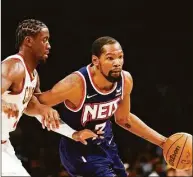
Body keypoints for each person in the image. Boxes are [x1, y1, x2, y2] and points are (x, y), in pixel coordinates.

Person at [38, 36, 168, 177]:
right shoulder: (75, 84)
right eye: (110, 58)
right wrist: (44, 109)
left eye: (120, 57)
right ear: (96, 61)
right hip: (79, 152)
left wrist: (163, 142)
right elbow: (32, 103)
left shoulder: (125, 80)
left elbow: (124, 119)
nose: (117, 63)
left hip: (107, 147)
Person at [1, 19, 98, 176]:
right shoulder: (13, 67)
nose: (49, 45)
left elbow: (36, 110)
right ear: (29, 41)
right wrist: (2, 104)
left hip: (4, 144)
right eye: (44, 40)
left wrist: (73, 134)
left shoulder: (33, 76)